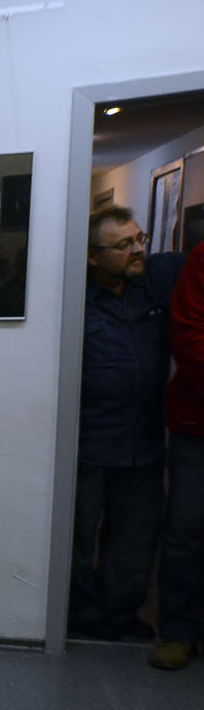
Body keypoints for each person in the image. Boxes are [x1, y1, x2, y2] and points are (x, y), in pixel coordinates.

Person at [73, 206, 183, 640]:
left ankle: (120, 615)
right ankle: (80, 616)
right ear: (92, 256)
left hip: (144, 443)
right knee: (79, 539)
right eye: (123, 245)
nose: (138, 250)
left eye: (140, 239)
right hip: (89, 444)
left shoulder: (156, 282)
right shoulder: (76, 302)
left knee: (135, 539)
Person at [153, 240, 204, 668]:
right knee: (186, 529)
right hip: (198, 424)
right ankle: (179, 630)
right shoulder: (202, 259)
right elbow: (188, 336)